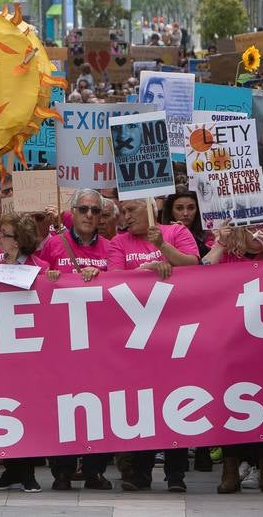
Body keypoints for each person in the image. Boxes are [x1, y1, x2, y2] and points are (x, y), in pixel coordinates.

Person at [107, 198, 197, 493]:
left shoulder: (176, 232)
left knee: (178, 402)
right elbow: (113, 279)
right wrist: (147, 270)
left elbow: (194, 263)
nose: (126, 216)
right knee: (143, 404)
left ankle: (175, 475)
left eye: (131, 210)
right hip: (137, 337)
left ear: (150, 208)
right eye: (123, 211)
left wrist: (164, 249)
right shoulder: (119, 242)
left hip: (175, 334)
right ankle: (140, 472)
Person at [40, 190, 112, 492]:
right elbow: (36, 275)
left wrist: (105, 275)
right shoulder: (54, 245)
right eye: (83, 209)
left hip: (100, 342)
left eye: (95, 211)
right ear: (73, 211)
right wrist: (50, 275)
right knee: (62, 407)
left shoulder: (111, 247)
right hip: (61, 341)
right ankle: (62, 471)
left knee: (102, 406)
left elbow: (125, 281)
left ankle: (95, 470)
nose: (89, 215)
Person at [0, 213, 47, 494]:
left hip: (31, 349)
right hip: (1, 349)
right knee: (5, 408)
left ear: (19, 241)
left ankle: (28, 473)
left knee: (27, 411)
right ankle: (11, 469)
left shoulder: (41, 268)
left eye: (5, 235)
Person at [159, 190, 208, 257]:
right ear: (171, 211)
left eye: (191, 208)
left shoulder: (208, 234)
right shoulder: (159, 235)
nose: (185, 213)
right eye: (179, 208)